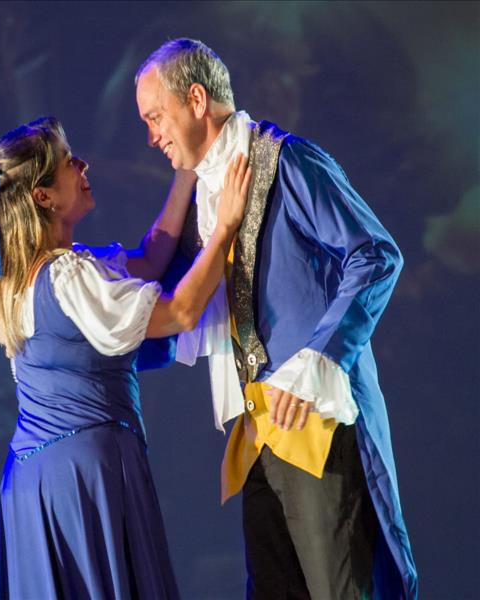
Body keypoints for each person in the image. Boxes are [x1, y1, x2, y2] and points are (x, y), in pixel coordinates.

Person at [134, 38, 418, 599]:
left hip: (315, 421)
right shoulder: (208, 198)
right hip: (258, 431)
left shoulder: (290, 161)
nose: (151, 136)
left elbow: (377, 255)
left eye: (155, 116)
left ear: (196, 99)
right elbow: (176, 298)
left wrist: (319, 355)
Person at [0, 116, 250, 599]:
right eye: (67, 161)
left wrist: (185, 173)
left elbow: (148, 260)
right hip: (84, 478)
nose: (82, 165)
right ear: (44, 197)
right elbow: (181, 312)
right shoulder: (67, 277)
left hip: (40, 478)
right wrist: (226, 225)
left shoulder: (32, 278)